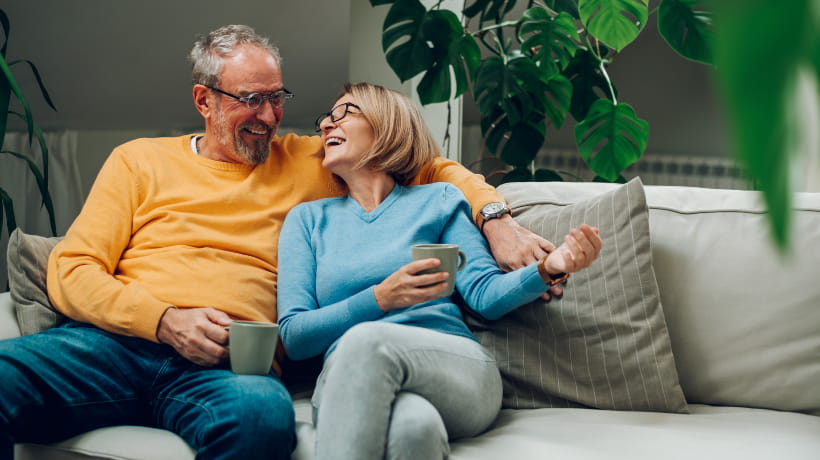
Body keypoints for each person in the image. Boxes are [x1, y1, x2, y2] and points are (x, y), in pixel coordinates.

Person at [0, 25, 560, 459]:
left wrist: (495, 216)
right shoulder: (138, 160)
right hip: (115, 347)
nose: (268, 117)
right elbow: (71, 269)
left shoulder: (313, 159)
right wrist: (164, 318)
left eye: (278, 97)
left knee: (260, 422)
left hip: (229, 363)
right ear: (205, 100)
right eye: (250, 99)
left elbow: (426, 164)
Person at [277, 82, 603, 460]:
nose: (327, 127)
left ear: (387, 124)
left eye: (344, 114)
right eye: (325, 120)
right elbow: (295, 336)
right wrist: (382, 297)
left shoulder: (439, 200)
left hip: (452, 367)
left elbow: (485, 295)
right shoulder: (307, 221)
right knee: (415, 429)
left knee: (368, 340)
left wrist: (551, 266)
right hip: (346, 380)